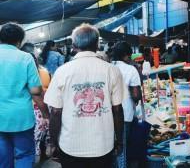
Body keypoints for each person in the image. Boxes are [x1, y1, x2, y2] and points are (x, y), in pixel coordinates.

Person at [44, 24, 125, 168]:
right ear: (97, 44)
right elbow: (117, 110)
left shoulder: (62, 72)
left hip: (70, 146)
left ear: (74, 46)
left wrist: (53, 143)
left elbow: (55, 112)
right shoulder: (112, 70)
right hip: (103, 146)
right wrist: (119, 141)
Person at [0, 23, 49, 168]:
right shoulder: (26, 58)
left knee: (3, 158)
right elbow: (36, 92)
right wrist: (45, 114)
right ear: (19, 41)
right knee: (25, 155)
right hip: (21, 119)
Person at [112, 42, 142, 168]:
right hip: (125, 114)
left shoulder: (108, 67)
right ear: (126, 55)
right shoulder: (131, 70)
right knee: (121, 147)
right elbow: (136, 95)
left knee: (110, 146)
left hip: (107, 114)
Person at [21, 43, 52, 164]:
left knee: (33, 137)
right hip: (42, 106)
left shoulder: (22, 71)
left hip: (30, 107)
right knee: (43, 134)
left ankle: (35, 156)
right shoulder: (44, 72)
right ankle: (42, 153)